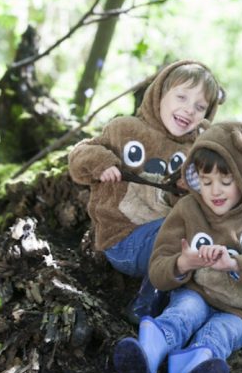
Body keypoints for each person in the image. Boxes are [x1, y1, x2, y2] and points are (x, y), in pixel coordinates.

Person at [113, 121, 242, 373]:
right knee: (183, 313)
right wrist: (184, 263)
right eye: (205, 182)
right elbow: (158, 267)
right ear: (194, 179)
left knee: (219, 334)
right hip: (196, 291)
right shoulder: (188, 209)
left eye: (226, 181)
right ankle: (148, 354)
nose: (215, 191)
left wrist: (234, 262)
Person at [68, 60, 224, 324]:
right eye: (182, 97)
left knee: (200, 232)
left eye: (200, 107)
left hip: (169, 245)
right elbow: (79, 155)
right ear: (160, 93)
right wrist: (102, 163)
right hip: (123, 240)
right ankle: (145, 305)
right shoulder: (125, 129)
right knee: (182, 228)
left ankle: (182, 315)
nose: (189, 110)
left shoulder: (194, 153)